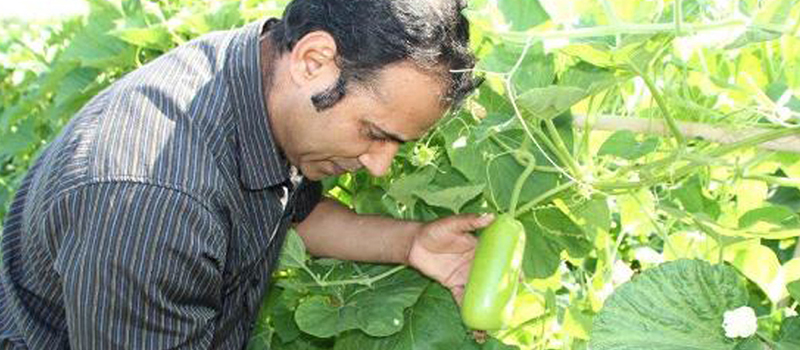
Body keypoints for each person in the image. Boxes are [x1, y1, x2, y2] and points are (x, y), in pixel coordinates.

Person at [0, 0, 491, 348]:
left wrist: (411, 243)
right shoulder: (154, 204)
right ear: (313, 60)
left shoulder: (262, 75)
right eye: (374, 132)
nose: (380, 165)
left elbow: (293, 213)